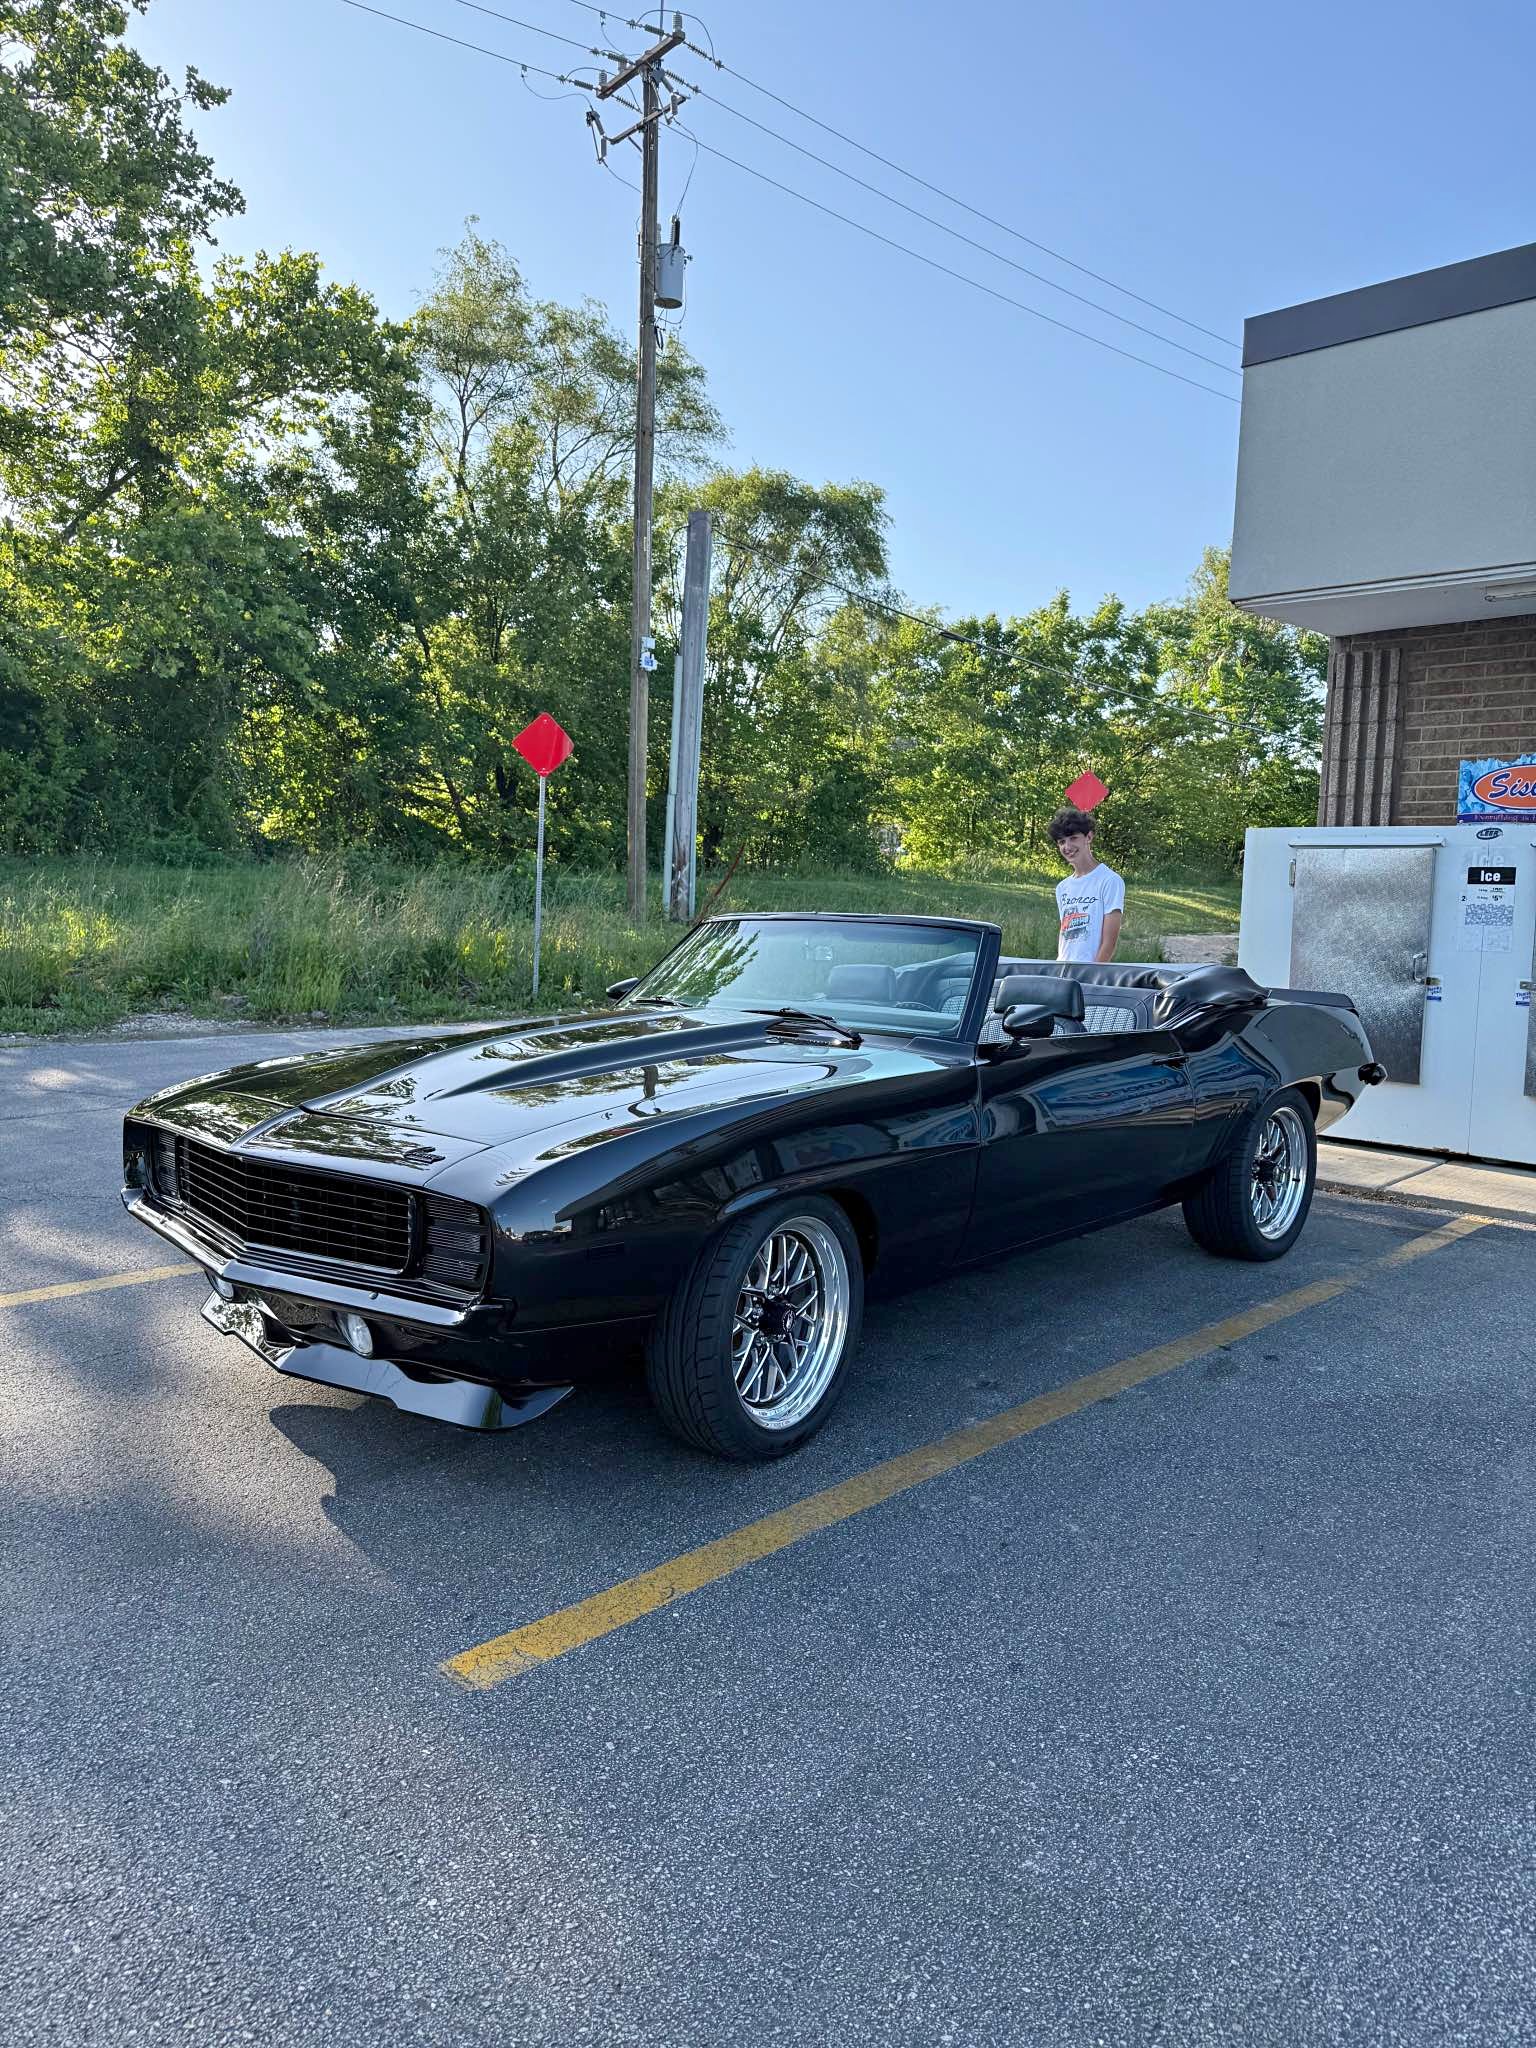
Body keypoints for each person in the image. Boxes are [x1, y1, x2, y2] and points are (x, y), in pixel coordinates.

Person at [1049, 807, 1124, 963]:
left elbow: (1109, 942)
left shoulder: (1110, 881)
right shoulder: (1062, 888)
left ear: (1088, 837)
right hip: (1062, 969)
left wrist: (1093, 974)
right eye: (1061, 842)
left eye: (1073, 838)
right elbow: (1066, 935)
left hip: (1090, 974)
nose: (1067, 847)